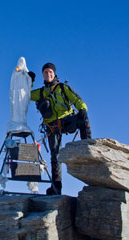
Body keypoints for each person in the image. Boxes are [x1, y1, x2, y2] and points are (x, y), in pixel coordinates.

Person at [29, 63, 92, 195]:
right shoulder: (41, 92)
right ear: (43, 75)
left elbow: (77, 99)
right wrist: (29, 81)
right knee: (55, 155)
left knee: (82, 120)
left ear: (54, 73)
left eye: (50, 71)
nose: (48, 74)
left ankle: (88, 149)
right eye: (45, 72)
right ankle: (56, 187)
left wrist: (83, 109)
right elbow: (26, 94)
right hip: (52, 125)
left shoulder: (63, 88)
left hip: (66, 120)